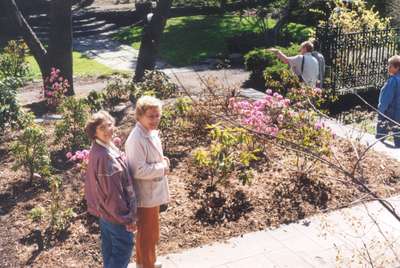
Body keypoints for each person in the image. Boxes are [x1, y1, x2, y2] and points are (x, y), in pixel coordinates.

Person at [85, 111, 137, 268]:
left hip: (105, 213)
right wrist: (126, 218)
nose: (109, 129)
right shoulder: (105, 156)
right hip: (115, 214)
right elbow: (114, 194)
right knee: (123, 248)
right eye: (102, 127)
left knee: (109, 251)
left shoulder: (101, 148)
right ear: (94, 133)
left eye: (109, 125)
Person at [125, 96, 170, 268]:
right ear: (139, 116)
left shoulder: (149, 133)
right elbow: (138, 170)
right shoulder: (136, 139)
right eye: (151, 116)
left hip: (152, 192)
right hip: (145, 194)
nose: (155, 119)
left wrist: (162, 161)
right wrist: (163, 167)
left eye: (157, 115)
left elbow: (153, 158)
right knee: (147, 233)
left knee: (151, 231)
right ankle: (146, 264)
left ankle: (145, 262)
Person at [376, 55, 400, 148]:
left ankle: (378, 147)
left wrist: (381, 109)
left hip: (389, 112)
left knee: (381, 133)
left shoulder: (393, 80)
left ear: (397, 67)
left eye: (390, 66)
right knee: (398, 134)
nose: (388, 68)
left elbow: (387, 97)